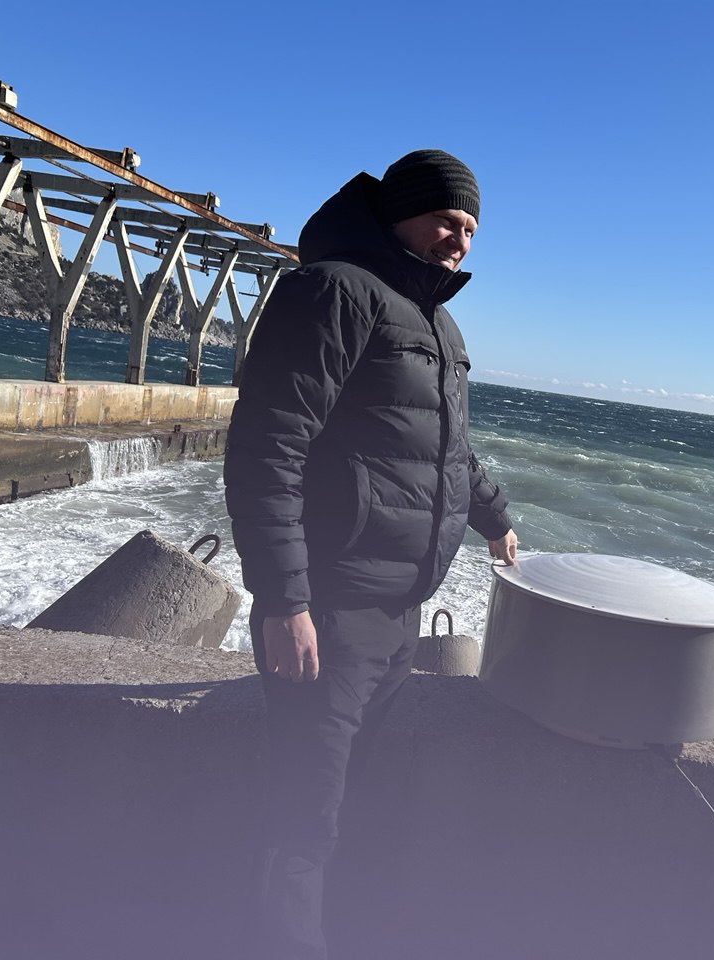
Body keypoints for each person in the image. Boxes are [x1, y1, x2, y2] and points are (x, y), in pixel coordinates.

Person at [224, 149, 517, 959]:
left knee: (356, 796)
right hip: (330, 604)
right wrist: (285, 600)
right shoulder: (334, 291)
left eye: (471, 228)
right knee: (306, 813)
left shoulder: (436, 322)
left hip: (397, 609)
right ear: (399, 213)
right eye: (446, 220)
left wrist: (494, 518)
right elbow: (267, 448)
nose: (459, 240)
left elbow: (443, 448)